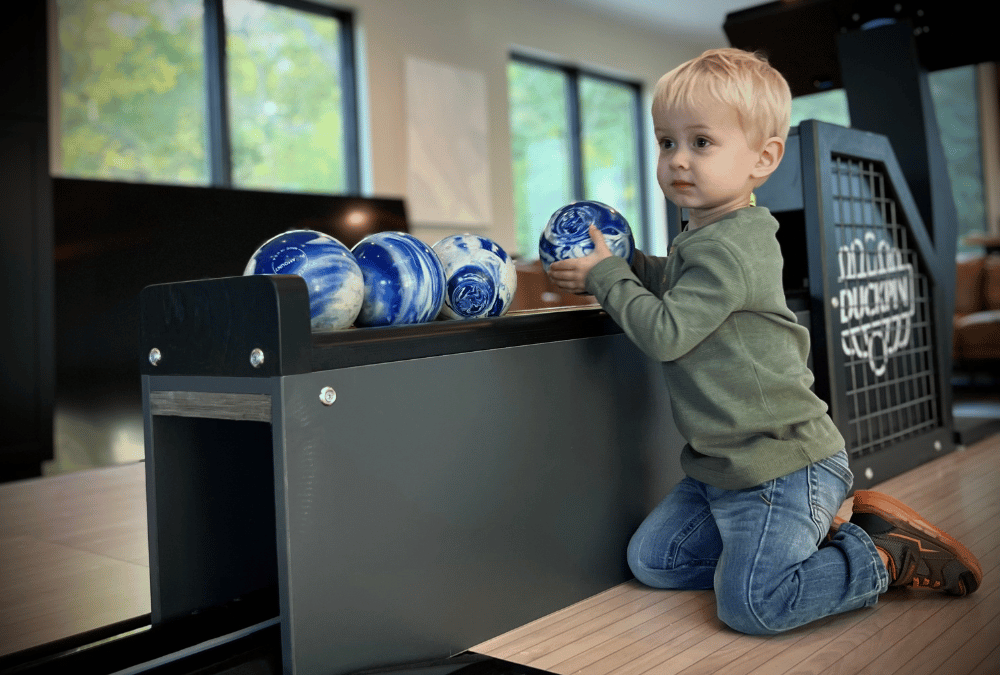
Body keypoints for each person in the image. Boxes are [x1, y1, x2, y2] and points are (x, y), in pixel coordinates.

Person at [545, 47, 982, 635]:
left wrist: (606, 275)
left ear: (764, 158)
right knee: (654, 561)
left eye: (701, 142)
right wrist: (628, 265)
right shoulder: (702, 237)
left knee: (753, 606)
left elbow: (666, 332)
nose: (677, 160)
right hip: (722, 470)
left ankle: (879, 556)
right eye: (666, 142)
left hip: (783, 465)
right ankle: (797, 541)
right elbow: (676, 287)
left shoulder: (731, 245)